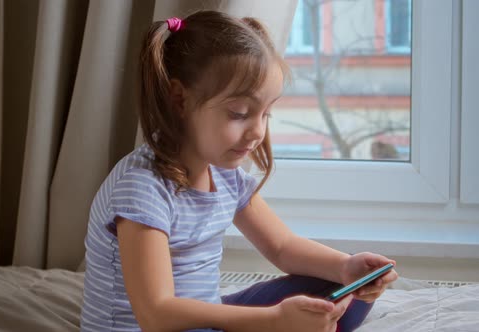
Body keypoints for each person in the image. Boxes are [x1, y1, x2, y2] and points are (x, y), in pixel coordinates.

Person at [80, 10, 398, 332]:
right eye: (240, 113)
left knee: (344, 290)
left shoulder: (225, 176)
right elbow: (156, 313)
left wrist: (346, 267)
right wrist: (274, 320)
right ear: (179, 100)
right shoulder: (142, 189)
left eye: (266, 114)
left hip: (204, 318)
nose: (257, 131)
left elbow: (282, 247)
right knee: (304, 315)